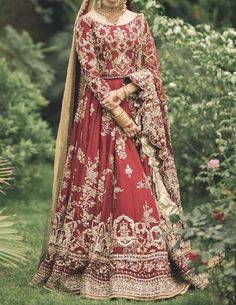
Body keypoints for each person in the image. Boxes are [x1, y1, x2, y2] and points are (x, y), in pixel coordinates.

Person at [29, 0, 210, 300]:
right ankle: (88, 260)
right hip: (96, 115)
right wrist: (119, 114)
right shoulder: (86, 22)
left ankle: (149, 262)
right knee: (96, 186)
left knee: (137, 188)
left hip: (133, 107)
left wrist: (126, 92)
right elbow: (90, 72)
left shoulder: (139, 22)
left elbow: (150, 69)